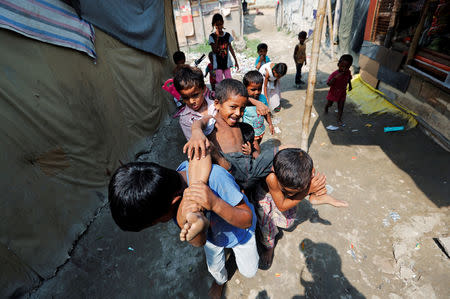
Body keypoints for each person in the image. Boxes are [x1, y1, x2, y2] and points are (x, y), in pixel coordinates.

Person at [108, 155, 259, 299]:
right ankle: (220, 281)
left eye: (158, 221)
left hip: (240, 234)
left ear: (174, 202)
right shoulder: (169, 192)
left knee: (249, 271)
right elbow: (200, 241)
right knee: (214, 268)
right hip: (213, 239)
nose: (161, 222)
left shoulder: (216, 178)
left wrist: (215, 204)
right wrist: (193, 226)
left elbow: (246, 220)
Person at [253, 148, 348, 268]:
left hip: (283, 193)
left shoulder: (305, 167)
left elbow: (299, 189)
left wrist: (315, 189)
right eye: (291, 192)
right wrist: (307, 191)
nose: (293, 195)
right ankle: (269, 247)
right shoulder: (271, 178)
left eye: (298, 191)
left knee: (289, 215)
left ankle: (317, 197)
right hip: (267, 197)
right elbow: (281, 206)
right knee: (267, 226)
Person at [185, 79, 279, 191]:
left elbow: (239, 100)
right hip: (230, 170)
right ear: (217, 104)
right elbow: (199, 123)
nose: (238, 113)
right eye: (233, 107)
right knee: (208, 147)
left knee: (284, 151)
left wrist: (257, 103)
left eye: (242, 109)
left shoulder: (237, 122)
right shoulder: (213, 121)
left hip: (248, 165)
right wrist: (196, 132)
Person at [174, 65, 216, 141]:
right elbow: (195, 144)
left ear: (203, 88)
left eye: (195, 95)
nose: (191, 101)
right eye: (185, 98)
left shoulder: (215, 102)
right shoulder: (185, 119)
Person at [242, 71, 274, 143]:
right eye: (253, 90)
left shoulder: (262, 98)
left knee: (257, 145)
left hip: (260, 130)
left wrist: (270, 124)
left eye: (259, 89)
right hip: (248, 133)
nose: (257, 92)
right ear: (245, 88)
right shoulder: (244, 101)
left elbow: (267, 113)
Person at [209, 13, 239, 83]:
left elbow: (231, 49)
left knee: (229, 82)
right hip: (218, 65)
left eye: (220, 24)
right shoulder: (212, 37)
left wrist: (236, 61)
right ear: (214, 25)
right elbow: (214, 50)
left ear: (223, 23)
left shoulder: (227, 35)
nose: (219, 26)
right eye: (217, 25)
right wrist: (217, 37)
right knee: (219, 83)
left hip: (226, 63)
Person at [324, 54, 353, 125]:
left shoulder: (348, 72)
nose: (344, 69)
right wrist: (335, 78)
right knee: (330, 104)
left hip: (342, 92)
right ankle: (326, 107)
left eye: (346, 67)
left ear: (349, 67)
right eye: (342, 66)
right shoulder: (334, 74)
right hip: (333, 92)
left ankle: (339, 119)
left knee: (341, 107)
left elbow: (349, 78)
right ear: (338, 64)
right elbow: (328, 84)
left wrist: (350, 85)